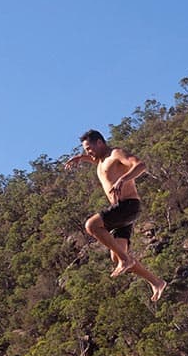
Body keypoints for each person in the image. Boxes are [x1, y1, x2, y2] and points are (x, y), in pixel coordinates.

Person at [65, 129, 167, 302]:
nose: (88, 152)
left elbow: (141, 165)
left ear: (100, 142)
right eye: (85, 150)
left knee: (92, 226)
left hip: (128, 205)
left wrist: (123, 179)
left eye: (89, 148)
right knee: (116, 255)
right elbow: (95, 160)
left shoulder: (116, 154)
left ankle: (125, 260)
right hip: (121, 209)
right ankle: (156, 282)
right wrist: (80, 158)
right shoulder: (100, 161)